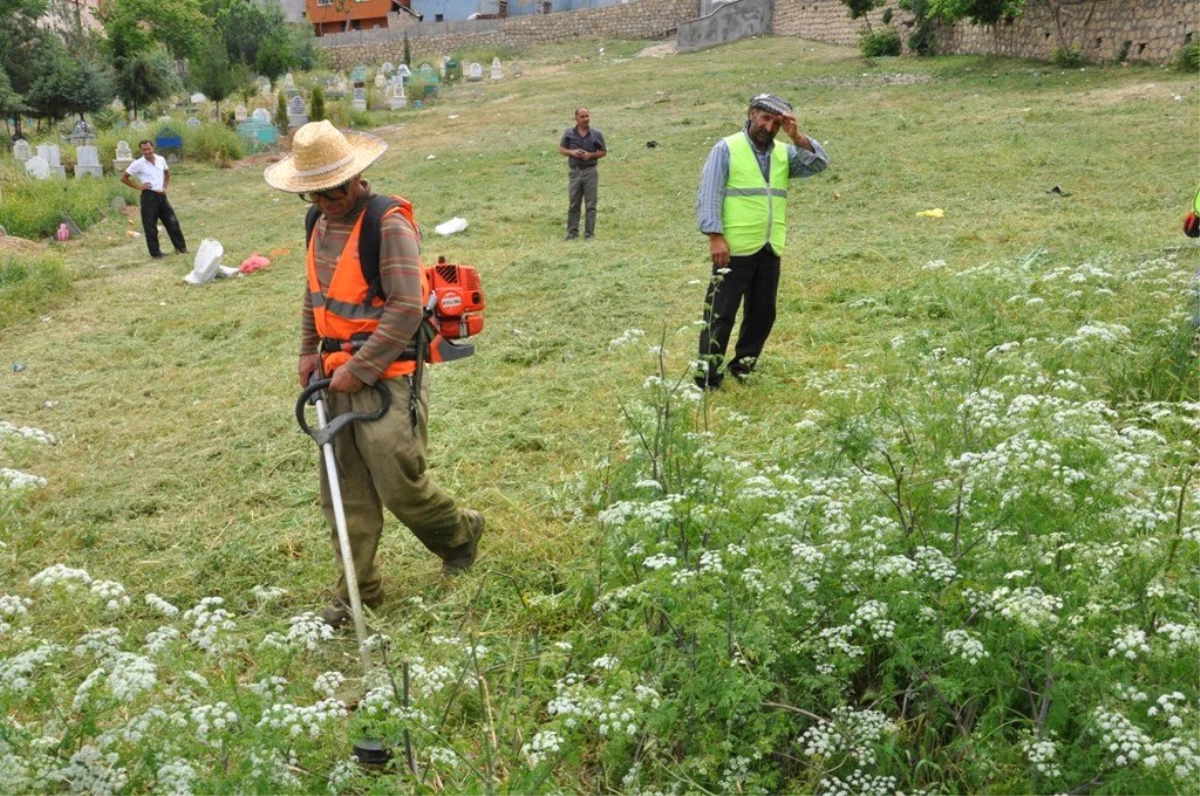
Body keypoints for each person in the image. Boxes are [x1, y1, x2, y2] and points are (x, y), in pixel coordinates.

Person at [264, 121, 484, 628]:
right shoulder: (317, 224)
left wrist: (361, 370)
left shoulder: (388, 224)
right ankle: (358, 593)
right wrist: (306, 350)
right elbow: (314, 291)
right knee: (344, 491)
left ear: (356, 177)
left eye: (337, 188)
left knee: (399, 482)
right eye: (316, 194)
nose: (329, 200)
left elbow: (407, 307)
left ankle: (460, 534)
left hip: (388, 375)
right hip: (332, 372)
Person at [695, 94, 829, 390]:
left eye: (777, 122)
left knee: (762, 313)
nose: (769, 127)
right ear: (752, 114)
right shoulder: (727, 148)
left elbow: (819, 163)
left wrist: (797, 135)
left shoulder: (784, 152)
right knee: (720, 314)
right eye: (765, 119)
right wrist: (715, 236)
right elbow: (710, 192)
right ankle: (707, 376)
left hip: (769, 246)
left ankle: (743, 366)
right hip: (733, 247)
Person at [120, 140, 187, 259]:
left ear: (153, 148)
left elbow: (167, 173)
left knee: (172, 222)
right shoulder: (138, 163)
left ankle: (181, 248)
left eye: (148, 149)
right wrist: (139, 187)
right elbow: (124, 178)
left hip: (161, 195)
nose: (147, 152)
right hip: (149, 196)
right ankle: (156, 253)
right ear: (141, 151)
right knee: (150, 226)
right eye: (144, 150)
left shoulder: (160, 159)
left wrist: (165, 186)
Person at [558, 107, 607, 240]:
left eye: (587, 116)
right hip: (575, 172)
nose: (586, 119)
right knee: (574, 203)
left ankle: (589, 234)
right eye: (582, 117)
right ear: (576, 119)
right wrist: (572, 152)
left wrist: (590, 155)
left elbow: (603, 151)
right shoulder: (569, 133)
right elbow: (561, 149)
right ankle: (572, 233)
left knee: (591, 204)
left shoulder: (596, 134)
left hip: (590, 172)